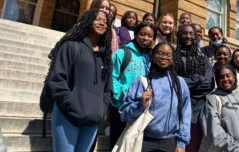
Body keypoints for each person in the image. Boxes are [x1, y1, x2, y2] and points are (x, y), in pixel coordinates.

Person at [47, 9, 113, 152]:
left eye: (105, 22)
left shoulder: (106, 57)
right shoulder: (70, 46)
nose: (102, 23)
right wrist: (72, 104)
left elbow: (108, 89)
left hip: (92, 120)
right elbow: (57, 80)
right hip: (67, 115)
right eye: (97, 19)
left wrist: (101, 110)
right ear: (88, 21)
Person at [120, 42, 191, 152]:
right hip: (143, 140)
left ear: (172, 58)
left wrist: (182, 143)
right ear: (152, 56)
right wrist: (140, 105)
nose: (164, 57)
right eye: (160, 53)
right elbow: (124, 115)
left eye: (168, 55)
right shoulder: (140, 82)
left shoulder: (180, 83)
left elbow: (185, 114)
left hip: (170, 142)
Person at [110, 22, 156, 149]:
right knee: (117, 146)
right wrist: (124, 95)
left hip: (142, 108)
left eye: (150, 36)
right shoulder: (122, 53)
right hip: (121, 107)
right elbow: (112, 78)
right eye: (142, 34)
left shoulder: (152, 58)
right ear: (135, 35)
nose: (146, 38)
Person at [201, 64, 239, 152]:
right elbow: (214, 130)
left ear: (234, 77)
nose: (225, 79)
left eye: (228, 76)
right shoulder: (213, 100)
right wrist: (234, 149)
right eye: (221, 77)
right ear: (217, 81)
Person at [174, 24, 214, 152]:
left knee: (193, 146)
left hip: (197, 111)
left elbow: (209, 83)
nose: (189, 36)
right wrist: (196, 80)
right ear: (179, 35)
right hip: (176, 108)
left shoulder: (201, 57)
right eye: (185, 33)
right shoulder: (173, 56)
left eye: (191, 33)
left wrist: (188, 88)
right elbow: (173, 83)